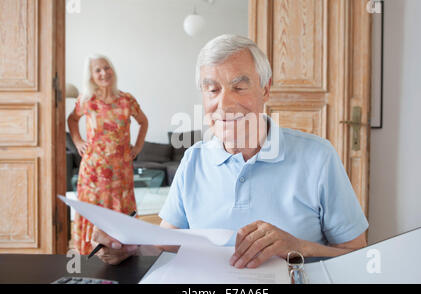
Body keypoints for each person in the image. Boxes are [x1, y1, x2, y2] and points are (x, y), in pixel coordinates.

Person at [92, 35, 368, 268]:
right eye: (212, 90)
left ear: (266, 89)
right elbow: (165, 244)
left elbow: (357, 256)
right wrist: (128, 247)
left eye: (239, 87)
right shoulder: (194, 159)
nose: (224, 104)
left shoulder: (318, 157)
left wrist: (298, 248)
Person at [67, 54, 148, 255]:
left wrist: (137, 147)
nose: (104, 73)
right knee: (93, 211)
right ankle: (89, 253)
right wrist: (77, 141)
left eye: (106, 68)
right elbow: (72, 120)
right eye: (98, 70)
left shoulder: (127, 100)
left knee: (121, 209)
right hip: (93, 171)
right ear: (92, 76)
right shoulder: (86, 100)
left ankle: (123, 251)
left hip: (121, 169)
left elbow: (143, 122)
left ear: (112, 70)